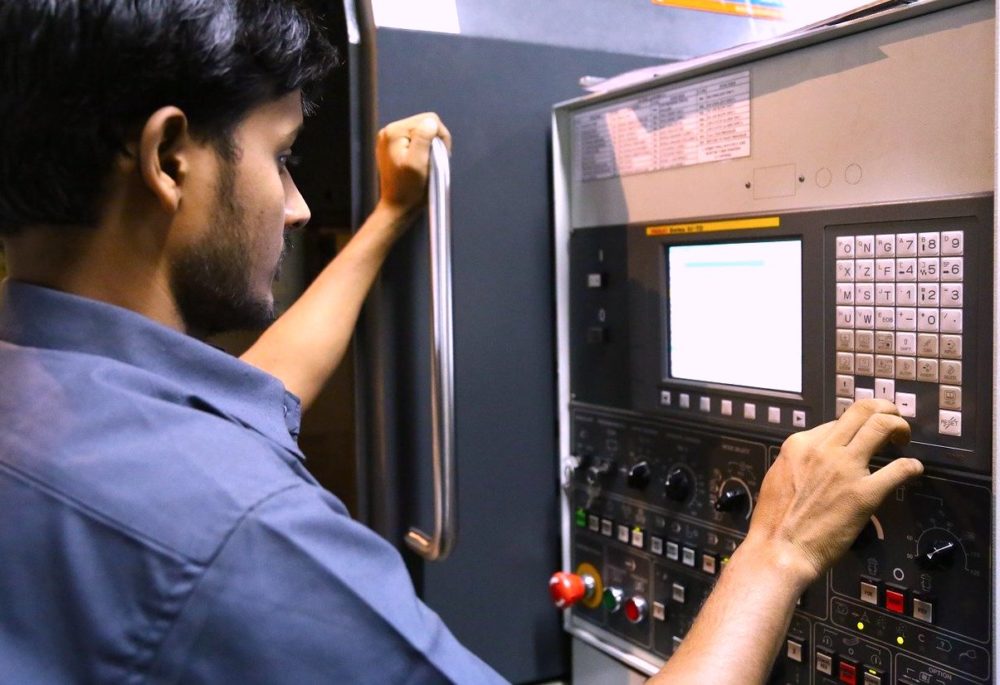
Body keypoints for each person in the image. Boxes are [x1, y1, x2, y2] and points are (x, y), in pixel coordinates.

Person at [0, 2, 922, 684]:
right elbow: (216, 492)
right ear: (170, 158)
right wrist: (778, 548)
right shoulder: (243, 532)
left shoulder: (55, 394)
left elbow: (250, 398)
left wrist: (392, 219)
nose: (298, 205)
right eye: (281, 156)